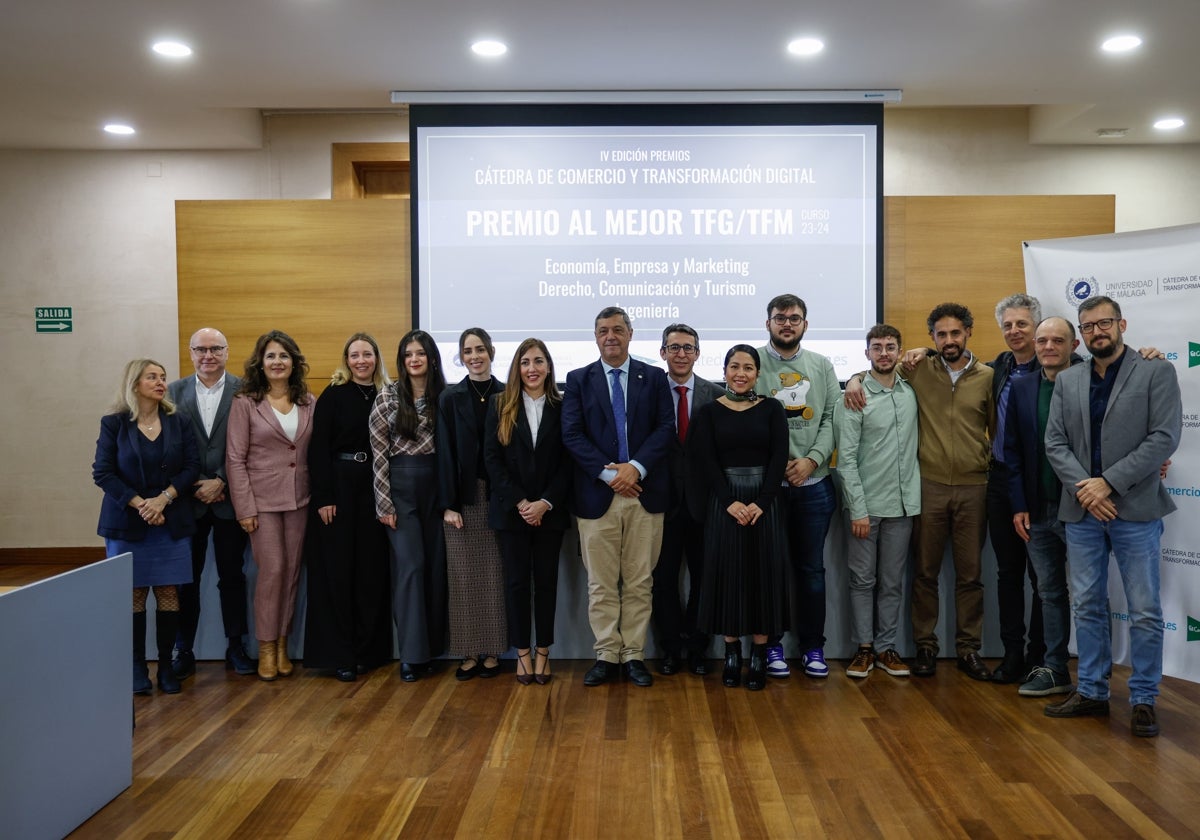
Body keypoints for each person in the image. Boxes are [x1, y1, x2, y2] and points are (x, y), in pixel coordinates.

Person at [1044, 296, 1182, 737]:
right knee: (1086, 604)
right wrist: (1088, 490)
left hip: (1135, 509)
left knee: (1143, 609)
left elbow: (1164, 437)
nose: (1096, 332)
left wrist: (1109, 483)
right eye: (1088, 327)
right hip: (1083, 511)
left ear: (1121, 324)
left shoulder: (1155, 371)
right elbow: (1055, 444)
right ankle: (1092, 692)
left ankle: (1143, 698)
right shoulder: (1069, 380)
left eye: (1104, 323)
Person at [845, 302, 994, 680]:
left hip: (970, 487)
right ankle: (923, 647)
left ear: (968, 334)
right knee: (923, 574)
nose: (948, 340)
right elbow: (877, 374)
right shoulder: (918, 371)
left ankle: (968, 649)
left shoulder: (987, 376)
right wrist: (854, 379)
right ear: (931, 338)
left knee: (970, 575)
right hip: (926, 488)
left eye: (955, 333)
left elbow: (999, 428)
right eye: (940, 335)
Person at [562, 306, 675, 687]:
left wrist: (635, 467)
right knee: (601, 584)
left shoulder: (654, 377)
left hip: (645, 492)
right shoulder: (578, 379)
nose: (610, 336)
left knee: (640, 581)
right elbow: (572, 435)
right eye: (602, 331)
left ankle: (634, 656)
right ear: (595, 337)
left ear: (630, 333)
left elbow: (665, 428)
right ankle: (607, 654)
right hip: (598, 496)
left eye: (617, 330)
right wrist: (611, 473)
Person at [93, 358, 200, 695]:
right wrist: (142, 504)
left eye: (163, 377)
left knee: (169, 592)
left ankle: (166, 666)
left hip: (169, 520)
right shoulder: (114, 424)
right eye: (152, 377)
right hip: (128, 522)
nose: (160, 382)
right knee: (134, 595)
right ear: (134, 383)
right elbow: (103, 472)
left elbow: (192, 467)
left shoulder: (178, 421)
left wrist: (163, 499)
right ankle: (138, 667)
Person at [689, 345, 789, 691]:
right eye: (735, 366)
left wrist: (763, 500)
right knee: (728, 575)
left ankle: (759, 654)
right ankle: (731, 653)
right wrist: (729, 501)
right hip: (725, 502)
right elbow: (705, 461)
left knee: (764, 575)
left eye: (748, 367)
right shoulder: (708, 412)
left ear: (758, 373)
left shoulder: (773, 408)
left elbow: (779, 457)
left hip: (765, 502)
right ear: (725, 370)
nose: (741, 373)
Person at [754, 294, 839, 680]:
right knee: (769, 570)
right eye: (779, 318)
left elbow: (831, 422)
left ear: (806, 324)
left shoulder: (821, 366)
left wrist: (810, 461)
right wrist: (778, 468)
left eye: (794, 318)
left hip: (814, 484)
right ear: (767, 323)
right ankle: (771, 644)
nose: (786, 324)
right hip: (767, 488)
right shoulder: (751, 363)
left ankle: (812, 647)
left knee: (811, 571)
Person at [304, 333, 394, 682]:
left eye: (367, 354)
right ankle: (340, 654)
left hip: (376, 487)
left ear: (376, 358)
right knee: (338, 573)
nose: (361, 361)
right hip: (339, 489)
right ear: (346, 360)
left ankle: (368, 651)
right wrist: (324, 496)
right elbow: (318, 449)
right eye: (354, 355)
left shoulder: (388, 394)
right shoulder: (333, 395)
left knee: (371, 572)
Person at [225, 330, 314, 682]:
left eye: (284, 356)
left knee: (291, 572)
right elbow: (234, 459)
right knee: (272, 571)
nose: (278, 362)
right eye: (271, 356)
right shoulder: (246, 402)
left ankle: (282, 644)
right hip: (260, 503)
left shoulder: (308, 400)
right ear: (260, 364)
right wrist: (244, 508)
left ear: (294, 362)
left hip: (300, 499)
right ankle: (264, 646)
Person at [833, 325, 920, 679]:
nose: (884, 353)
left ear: (899, 351)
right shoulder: (854, 396)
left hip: (903, 507)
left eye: (890, 347)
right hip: (865, 509)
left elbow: (931, 352)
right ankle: (864, 648)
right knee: (862, 581)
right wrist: (858, 509)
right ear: (866, 352)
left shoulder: (910, 391)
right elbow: (846, 459)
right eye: (877, 347)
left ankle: (886, 648)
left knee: (893, 581)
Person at [168, 328, 254, 679]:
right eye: (200, 349)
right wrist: (193, 485)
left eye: (215, 348)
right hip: (188, 502)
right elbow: (168, 449)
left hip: (229, 500)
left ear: (227, 351)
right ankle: (183, 649)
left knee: (232, 577)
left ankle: (236, 647)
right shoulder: (172, 392)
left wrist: (221, 479)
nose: (208, 355)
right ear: (190, 353)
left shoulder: (246, 390)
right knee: (185, 580)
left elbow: (252, 444)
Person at [484, 338, 572, 685]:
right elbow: (492, 460)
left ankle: (544, 653)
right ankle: (522, 654)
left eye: (538, 361)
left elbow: (568, 462)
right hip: (512, 513)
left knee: (547, 584)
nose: (532, 368)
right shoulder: (499, 405)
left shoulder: (563, 405)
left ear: (549, 366)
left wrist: (545, 503)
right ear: (516, 368)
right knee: (517, 584)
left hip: (550, 511)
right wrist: (522, 502)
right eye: (525, 362)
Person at [1003, 317, 1081, 698]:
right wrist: (1018, 504)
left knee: (1089, 593)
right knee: (1049, 591)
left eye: (1058, 340)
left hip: (1082, 508)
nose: (1049, 346)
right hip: (1037, 509)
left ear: (1074, 345)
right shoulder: (1022, 387)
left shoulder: (1092, 380)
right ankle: (1055, 669)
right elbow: (1013, 451)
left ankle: (1096, 676)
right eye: (1042, 340)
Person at [369, 329, 449, 682]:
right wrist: (384, 503)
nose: (414, 359)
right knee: (411, 568)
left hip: (438, 487)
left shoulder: (445, 397)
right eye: (407, 355)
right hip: (400, 490)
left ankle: (432, 650)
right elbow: (378, 456)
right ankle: (411, 656)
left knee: (435, 568)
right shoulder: (386, 398)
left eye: (420, 353)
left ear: (431, 357)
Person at [652, 324, 723, 677]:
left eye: (688, 348)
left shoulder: (715, 394)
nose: (681, 353)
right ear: (662, 352)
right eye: (674, 347)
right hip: (659, 501)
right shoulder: (649, 393)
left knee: (703, 578)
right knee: (662, 581)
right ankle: (669, 648)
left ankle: (697, 647)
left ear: (697, 353)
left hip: (704, 503)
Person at [438, 328, 508, 680]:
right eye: (468, 351)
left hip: (498, 496)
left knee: (494, 576)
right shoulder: (450, 398)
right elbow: (445, 454)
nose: (475, 356)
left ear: (491, 352)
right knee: (463, 577)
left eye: (480, 349)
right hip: (462, 499)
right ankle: (467, 651)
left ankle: (493, 650)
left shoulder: (506, 393)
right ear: (462, 357)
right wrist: (448, 504)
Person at [986, 294, 1045, 684]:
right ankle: (1012, 653)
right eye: (1008, 325)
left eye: (1022, 324)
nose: (1014, 331)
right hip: (1000, 480)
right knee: (1008, 573)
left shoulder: (1065, 366)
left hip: (1042, 484)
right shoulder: (1000, 366)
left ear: (1037, 326)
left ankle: (1041, 657)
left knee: (1044, 578)